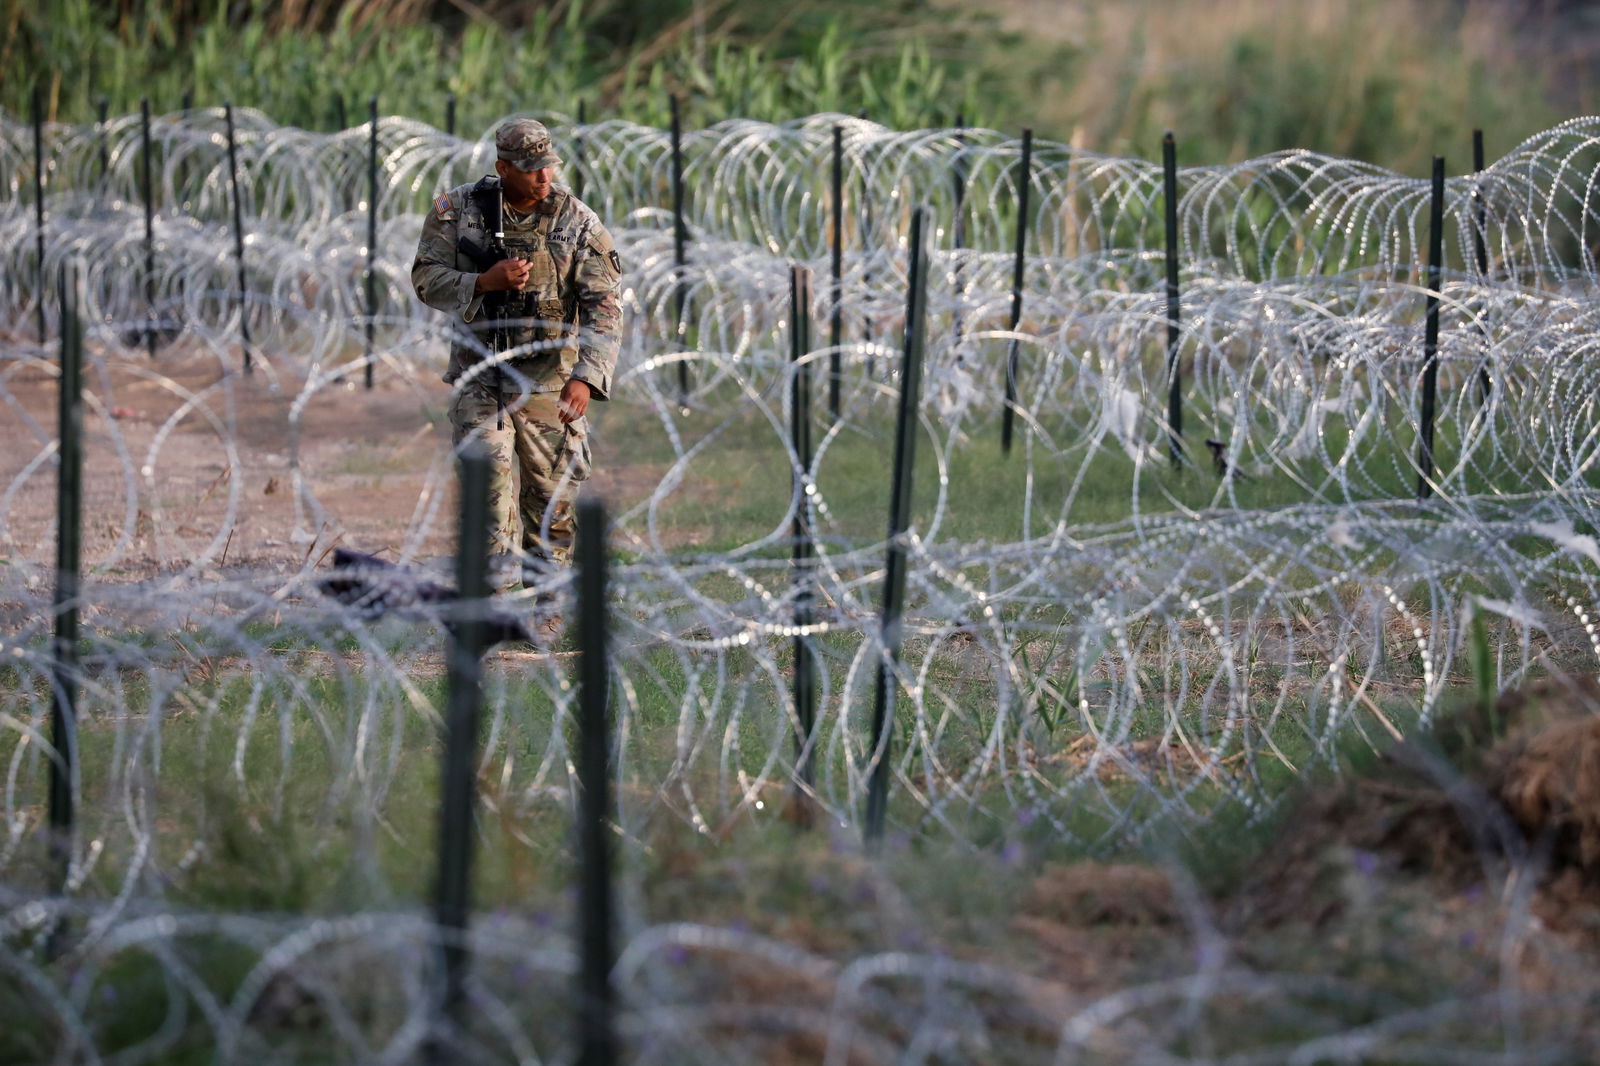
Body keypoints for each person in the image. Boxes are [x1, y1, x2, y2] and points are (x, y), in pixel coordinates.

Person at [411, 118, 622, 641]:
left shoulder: (575, 221)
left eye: (548, 167)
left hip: (551, 381)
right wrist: (483, 281)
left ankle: (545, 602)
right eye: (530, 171)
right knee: (488, 489)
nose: (543, 178)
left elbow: (604, 307)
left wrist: (586, 377)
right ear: (502, 168)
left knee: (552, 500)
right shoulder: (458, 212)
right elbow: (425, 278)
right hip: (482, 376)